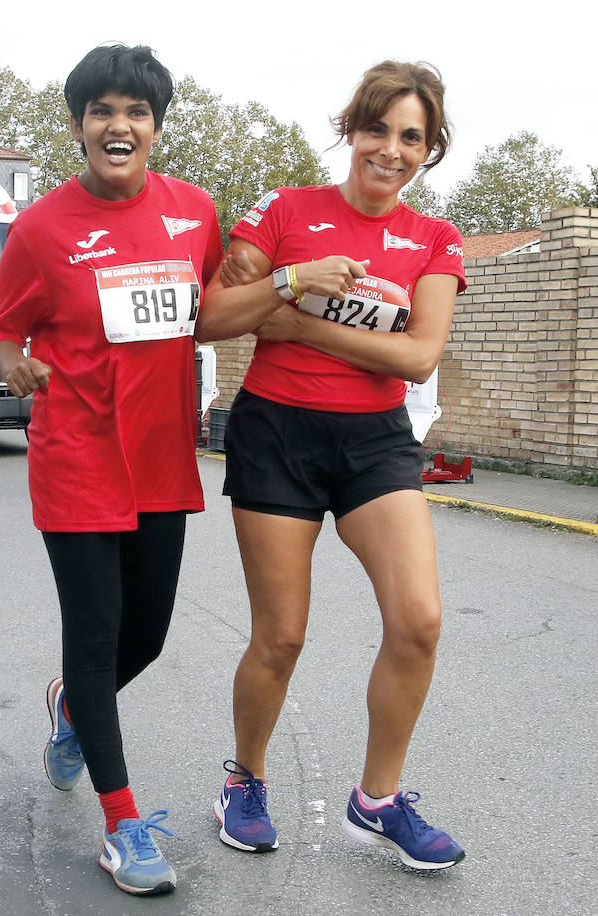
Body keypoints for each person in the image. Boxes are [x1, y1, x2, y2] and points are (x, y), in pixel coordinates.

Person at [194, 60, 467, 870]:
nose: (390, 149)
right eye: (377, 128)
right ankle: (245, 781)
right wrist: (289, 278)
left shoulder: (434, 240)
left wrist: (303, 326)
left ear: (429, 149)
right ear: (352, 130)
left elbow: (419, 357)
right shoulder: (285, 210)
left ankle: (376, 801)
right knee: (280, 636)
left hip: (376, 440)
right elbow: (212, 316)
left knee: (418, 620)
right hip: (278, 431)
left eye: (411, 136)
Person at [0, 43, 222, 897]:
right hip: (77, 453)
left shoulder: (196, 212)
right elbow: (1, 328)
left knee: (145, 637)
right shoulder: (42, 227)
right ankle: (123, 824)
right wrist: (12, 363)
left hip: (160, 458)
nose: (119, 126)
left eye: (136, 112)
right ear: (79, 125)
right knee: (94, 634)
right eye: (102, 111)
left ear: (156, 127)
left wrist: (293, 280)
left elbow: (217, 310)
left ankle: (74, 707)